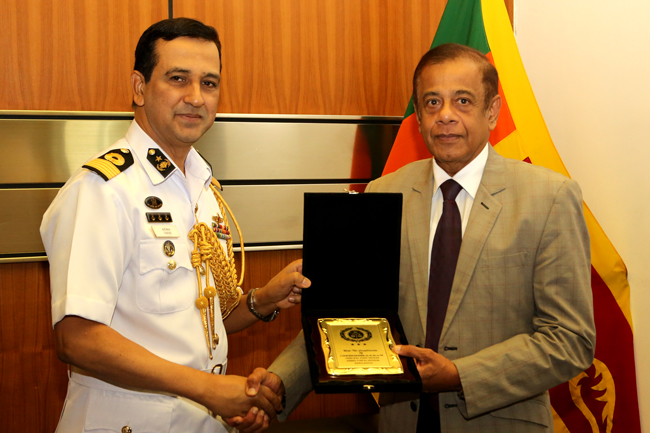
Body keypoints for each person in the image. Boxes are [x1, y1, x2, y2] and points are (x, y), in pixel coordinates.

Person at [244, 43, 595, 433]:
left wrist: (461, 375)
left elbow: (569, 339)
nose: (445, 116)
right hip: (400, 420)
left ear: (492, 111)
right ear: (418, 115)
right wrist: (280, 383)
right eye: (432, 102)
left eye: (462, 101)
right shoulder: (383, 194)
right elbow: (345, 316)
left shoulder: (549, 198)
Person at [40, 18, 310, 433]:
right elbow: (77, 339)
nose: (195, 98)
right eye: (178, 78)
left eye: (209, 83)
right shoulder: (103, 190)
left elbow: (198, 316)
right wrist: (210, 389)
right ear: (139, 87)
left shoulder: (202, 186)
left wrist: (263, 300)